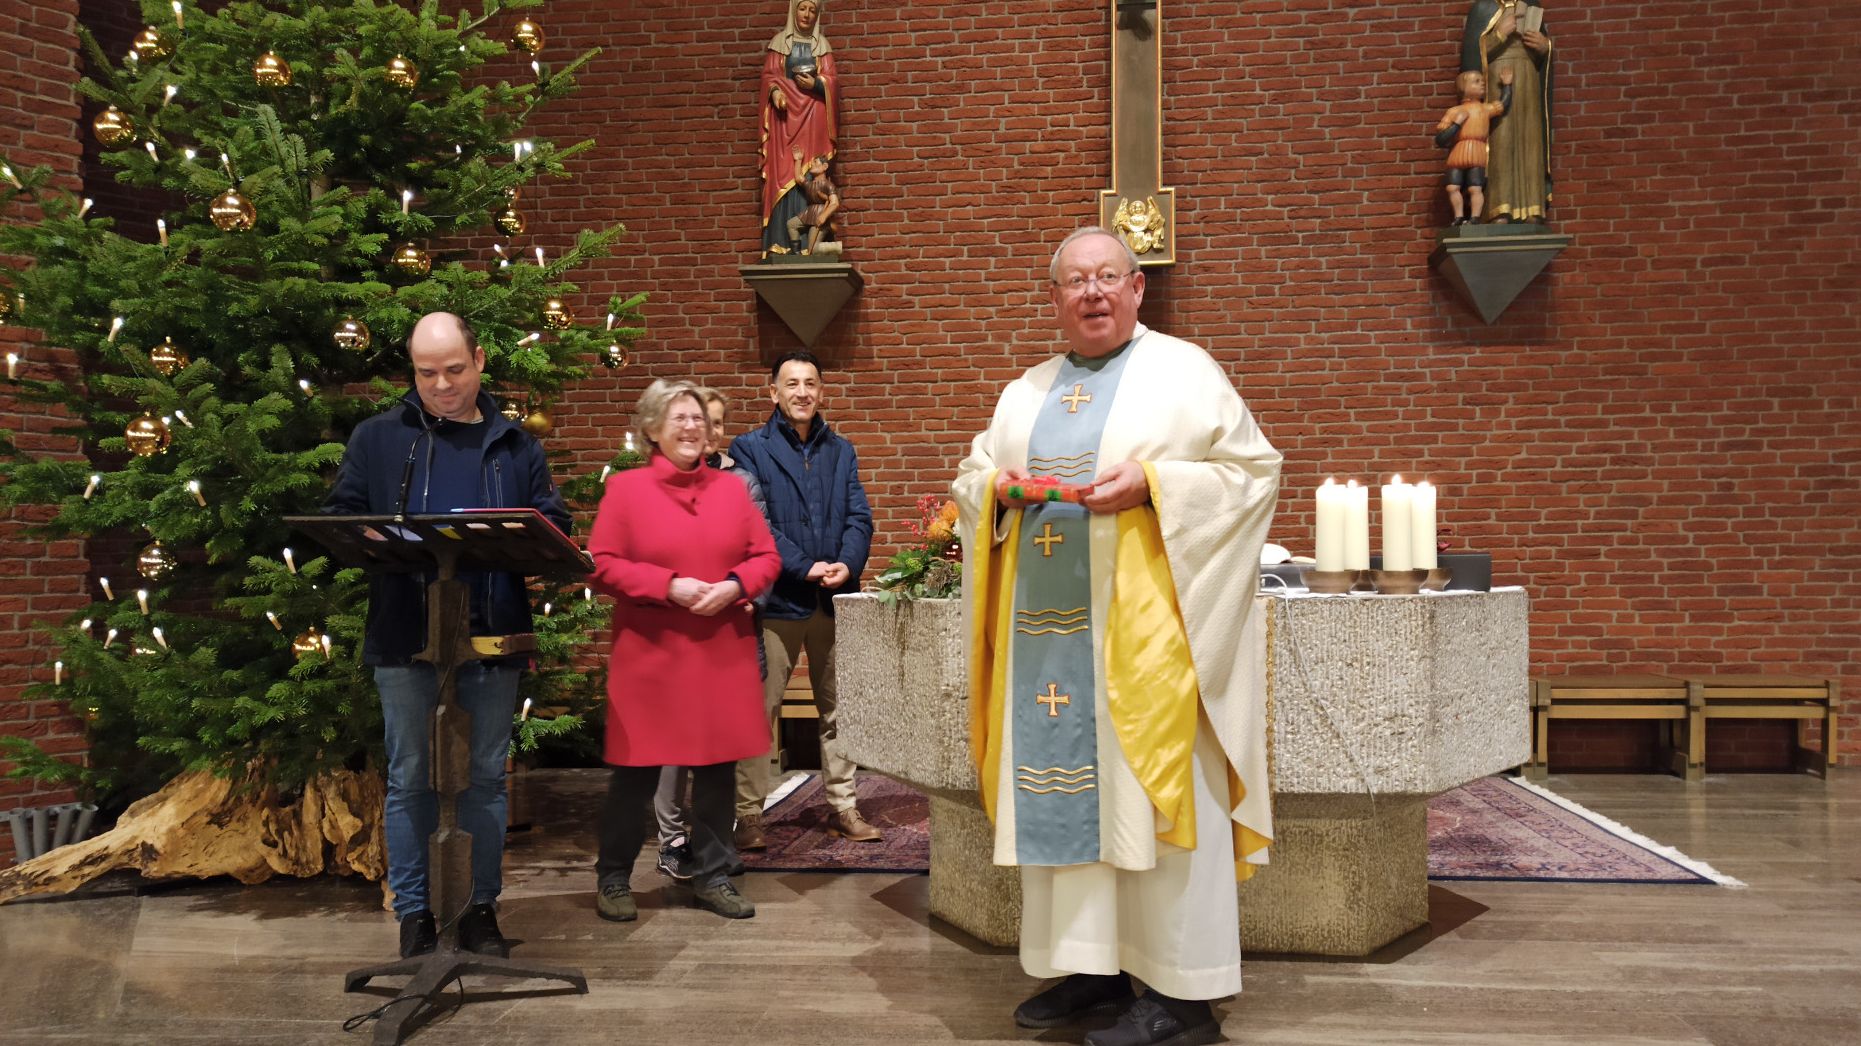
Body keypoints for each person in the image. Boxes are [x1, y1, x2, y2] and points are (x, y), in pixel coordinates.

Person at [951, 229, 1281, 1046]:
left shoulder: (1185, 371)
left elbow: (1250, 474)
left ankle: (1183, 995)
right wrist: (995, 490)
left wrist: (1154, 485)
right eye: (1074, 281)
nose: (1091, 293)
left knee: (1157, 801)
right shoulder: (1023, 392)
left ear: (1137, 289)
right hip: (1046, 653)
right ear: (1054, 297)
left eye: (1107, 278)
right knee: (1071, 806)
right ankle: (1093, 968)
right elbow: (971, 478)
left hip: (1150, 644)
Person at [323, 311, 571, 961]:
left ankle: (478, 909)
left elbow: (553, 523)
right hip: (407, 633)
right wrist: (372, 534)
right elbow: (342, 516)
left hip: (491, 635)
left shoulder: (514, 445)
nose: (440, 385)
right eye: (426, 372)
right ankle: (414, 916)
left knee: (485, 778)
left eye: (454, 370)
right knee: (410, 779)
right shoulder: (379, 438)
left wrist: (530, 533)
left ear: (480, 360)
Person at [587, 380, 780, 922]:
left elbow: (765, 556)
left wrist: (737, 585)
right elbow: (600, 563)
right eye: (679, 418)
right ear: (651, 429)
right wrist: (667, 584)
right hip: (650, 656)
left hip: (719, 650)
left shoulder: (732, 490)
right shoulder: (625, 490)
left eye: (699, 418)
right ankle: (614, 878)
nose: (693, 427)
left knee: (718, 771)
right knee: (635, 773)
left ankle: (714, 875)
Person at [728, 351, 876, 849]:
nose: (802, 392)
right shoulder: (749, 448)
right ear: (773, 392)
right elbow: (755, 523)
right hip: (779, 600)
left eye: (811, 383)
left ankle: (843, 807)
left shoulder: (842, 450)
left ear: (821, 390)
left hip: (834, 599)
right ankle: (748, 815)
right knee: (757, 710)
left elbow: (859, 517)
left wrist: (846, 565)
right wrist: (802, 565)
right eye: (791, 384)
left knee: (839, 710)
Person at [651, 386, 768, 883]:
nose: (707, 432)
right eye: (701, 421)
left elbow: (760, 549)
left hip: (731, 630)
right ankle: (672, 840)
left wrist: (738, 594)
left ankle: (714, 841)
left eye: (717, 423)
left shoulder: (743, 482)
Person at [1460, 0, 1552, 223]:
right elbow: (1471, 58)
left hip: (1528, 80)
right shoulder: (1483, 8)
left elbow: (1544, 58)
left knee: (1530, 140)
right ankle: (1499, 208)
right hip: (1497, 81)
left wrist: (1545, 47)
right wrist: (1499, 35)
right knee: (1501, 140)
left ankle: (1532, 208)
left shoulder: (1531, 5)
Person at [760, 0, 837, 256]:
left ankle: (808, 245)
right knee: (784, 174)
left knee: (809, 173)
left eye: (812, 10)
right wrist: (775, 93)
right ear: (794, 10)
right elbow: (769, 76)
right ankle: (779, 241)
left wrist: (816, 84)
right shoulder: (779, 43)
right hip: (785, 119)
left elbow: (832, 81)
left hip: (813, 114)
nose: (806, 14)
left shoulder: (821, 46)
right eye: (802, 8)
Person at [1433, 67, 1514, 225]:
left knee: (1475, 188)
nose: (1482, 84)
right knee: (1452, 187)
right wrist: (1457, 124)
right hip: (1458, 152)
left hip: (1477, 151)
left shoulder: (1484, 109)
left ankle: (1475, 217)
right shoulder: (1454, 111)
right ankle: (1458, 217)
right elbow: (1441, 139)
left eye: (1482, 82)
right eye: (1476, 82)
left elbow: (1503, 104)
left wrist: (1507, 85)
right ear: (1463, 86)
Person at [784, 148, 840, 256]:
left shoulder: (828, 185)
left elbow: (834, 203)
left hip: (820, 214)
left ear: (824, 167)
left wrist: (824, 215)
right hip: (809, 212)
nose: (811, 165)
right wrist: (798, 160)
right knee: (791, 224)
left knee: (813, 249)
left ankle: (836, 248)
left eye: (815, 162)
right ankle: (796, 253)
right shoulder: (810, 184)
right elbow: (799, 178)